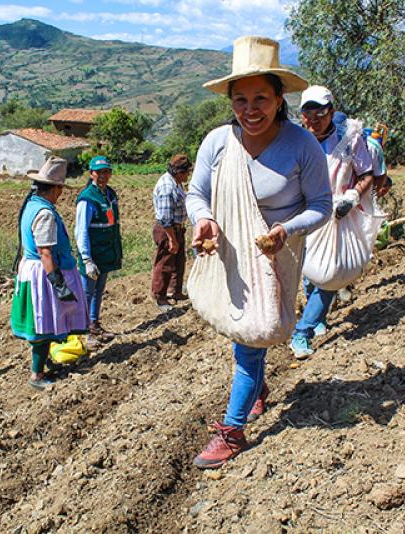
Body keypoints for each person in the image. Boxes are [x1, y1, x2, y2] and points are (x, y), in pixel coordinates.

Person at [186, 36, 333, 469]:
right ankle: (258, 390)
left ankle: (232, 432)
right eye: (241, 99)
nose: (251, 110)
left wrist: (286, 229)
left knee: (252, 342)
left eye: (261, 99)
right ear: (231, 101)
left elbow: (322, 205)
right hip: (229, 255)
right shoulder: (217, 143)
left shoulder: (301, 146)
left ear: (279, 98)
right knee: (241, 336)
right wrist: (203, 220)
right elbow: (197, 194)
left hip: (275, 258)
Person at [289, 86, 374, 359]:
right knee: (309, 271)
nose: (313, 119)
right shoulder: (297, 140)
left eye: (320, 113)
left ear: (332, 112)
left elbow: (367, 173)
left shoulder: (349, 141)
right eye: (307, 113)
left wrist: (353, 194)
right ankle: (319, 316)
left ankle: (302, 332)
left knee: (330, 274)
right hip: (304, 214)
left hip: (336, 213)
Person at [11, 157, 89, 390]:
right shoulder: (44, 213)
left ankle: (45, 362)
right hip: (42, 274)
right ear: (55, 188)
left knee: (45, 321)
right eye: (60, 189)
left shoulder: (31, 204)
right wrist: (58, 283)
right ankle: (37, 375)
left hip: (33, 270)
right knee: (42, 325)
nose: (61, 194)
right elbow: (45, 252)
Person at [75, 155, 123, 347]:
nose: (103, 175)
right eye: (99, 172)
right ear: (91, 174)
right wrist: (86, 259)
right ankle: (84, 331)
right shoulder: (87, 199)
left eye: (106, 172)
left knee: (99, 290)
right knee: (87, 293)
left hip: (105, 253)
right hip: (93, 254)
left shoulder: (109, 194)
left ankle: (94, 324)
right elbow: (81, 231)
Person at [151, 154, 191, 312]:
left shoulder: (177, 183)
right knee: (165, 263)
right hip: (168, 229)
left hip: (177, 228)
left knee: (178, 261)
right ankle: (159, 296)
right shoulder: (167, 187)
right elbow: (165, 218)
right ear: (179, 172)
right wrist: (172, 239)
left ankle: (174, 291)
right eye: (187, 172)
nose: (188, 175)